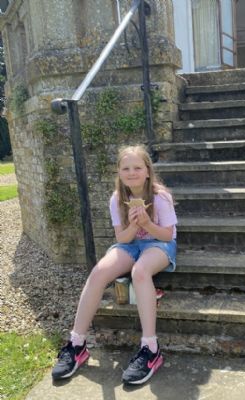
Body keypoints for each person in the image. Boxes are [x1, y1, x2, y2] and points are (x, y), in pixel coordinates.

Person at [51, 144, 178, 385]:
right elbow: (122, 238)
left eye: (137, 168)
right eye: (126, 168)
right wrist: (134, 225)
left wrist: (147, 224)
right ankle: (77, 344)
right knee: (98, 272)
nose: (132, 173)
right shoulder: (117, 199)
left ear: (147, 171)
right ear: (119, 172)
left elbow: (167, 235)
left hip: (159, 244)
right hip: (130, 244)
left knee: (140, 272)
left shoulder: (160, 197)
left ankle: (151, 349)